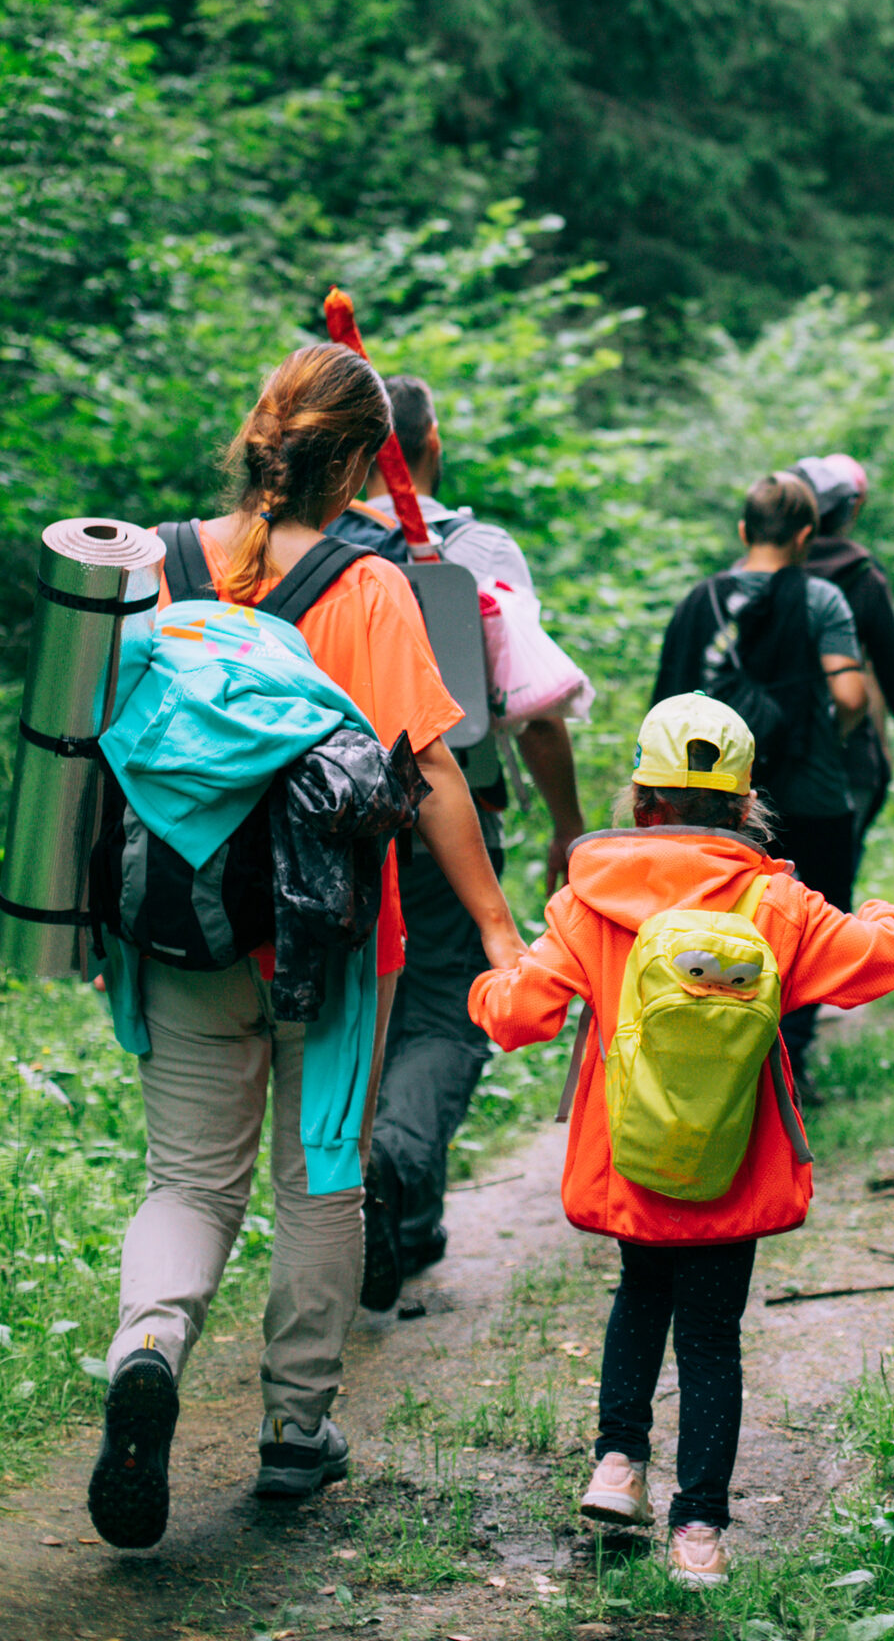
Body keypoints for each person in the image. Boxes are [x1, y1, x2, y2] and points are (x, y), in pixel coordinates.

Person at [88, 346, 520, 1551]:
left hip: (178, 925)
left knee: (189, 1179)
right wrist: (494, 925)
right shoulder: (368, 585)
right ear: (364, 461)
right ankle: (294, 1432)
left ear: (261, 437)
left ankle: (150, 1342)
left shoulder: (159, 564)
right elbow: (429, 766)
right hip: (329, 937)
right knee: (319, 1170)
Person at [469, 693, 894, 1585]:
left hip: (630, 1158)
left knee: (640, 1296)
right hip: (733, 1163)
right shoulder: (776, 902)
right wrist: (888, 910)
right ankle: (699, 1534)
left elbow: (519, 1014)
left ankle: (617, 1465)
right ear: (746, 806)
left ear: (642, 802)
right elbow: (881, 959)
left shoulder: (585, 899)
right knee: (712, 1335)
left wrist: (489, 984)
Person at [336, 374, 589, 1308]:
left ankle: (399, 1213)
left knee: (363, 1002)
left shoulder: (304, 548)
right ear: (429, 442)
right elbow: (533, 708)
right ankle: (396, 1171)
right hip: (452, 817)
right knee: (445, 1003)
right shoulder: (477, 549)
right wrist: (566, 823)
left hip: (320, 819)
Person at [651, 473, 868, 1102]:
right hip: (811, 792)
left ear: (744, 532)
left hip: (711, 802)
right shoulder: (822, 600)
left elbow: (665, 704)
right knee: (804, 926)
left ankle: (714, 1055)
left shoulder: (699, 602)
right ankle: (788, 1064)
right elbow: (851, 694)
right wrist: (829, 730)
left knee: (716, 924)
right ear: (806, 537)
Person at [793, 453, 894, 870]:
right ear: (847, 512)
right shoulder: (864, 577)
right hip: (850, 758)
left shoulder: (762, 577)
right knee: (831, 893)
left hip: (774, 760)